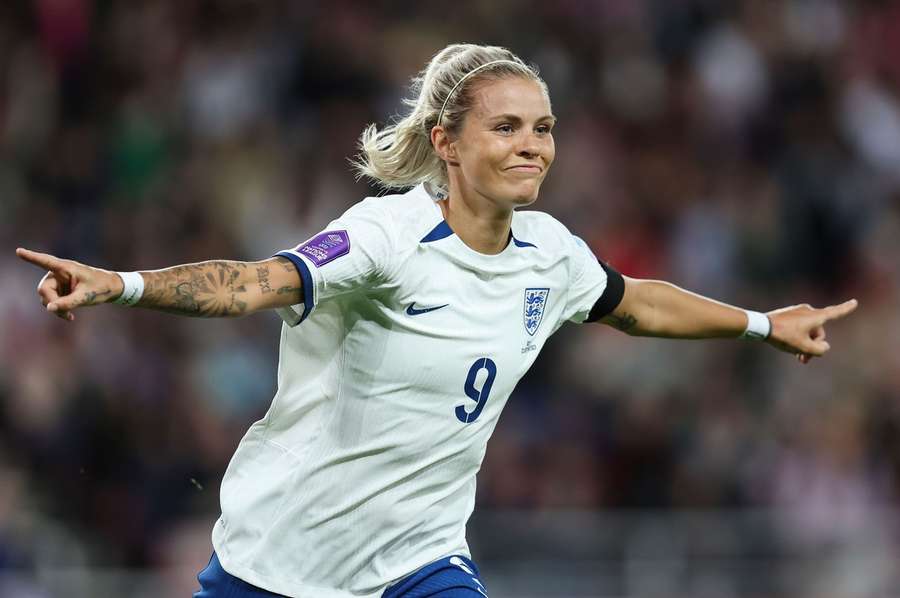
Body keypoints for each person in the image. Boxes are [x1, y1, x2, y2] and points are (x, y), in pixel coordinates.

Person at [16, 44, 857, 598]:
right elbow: (257, 282)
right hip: (280, 559)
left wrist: (758, 323)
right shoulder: (386, 236)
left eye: (544, 128)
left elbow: (634, 303)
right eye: (507, 127)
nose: (533, 145)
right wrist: (120, 283)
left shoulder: (550, 252)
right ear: (448, 143)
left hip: (419, 560)